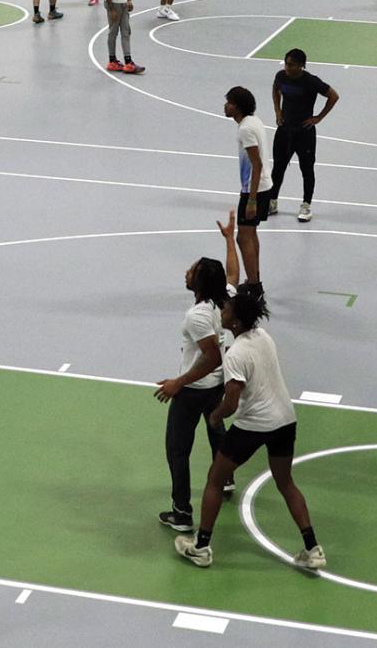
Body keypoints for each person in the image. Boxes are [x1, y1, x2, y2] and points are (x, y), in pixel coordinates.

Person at [174, 293, 327, 570]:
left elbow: (231, 403)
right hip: (285, 420)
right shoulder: (264, 337)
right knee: (286, 483)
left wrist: (214, 416)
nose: (223, 309)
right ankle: (313, 548)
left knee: (215, 479)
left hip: (254, 425)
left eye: (228, 308)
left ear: (236, 320)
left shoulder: (235, 354)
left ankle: (201, 546)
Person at [155, 211, 239, 532]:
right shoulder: (225, 298)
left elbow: (212, 356)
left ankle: (182, 512)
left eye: (192, 270)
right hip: (216, 387)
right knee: (216, 429)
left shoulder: (198, 316)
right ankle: (226, 476)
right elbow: (233, 273)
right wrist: (229, 240)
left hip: (195, 390)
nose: (187, 272)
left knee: (177, 449)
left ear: (199, 282)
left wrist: (179, 382)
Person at [269, 49, 339, 222]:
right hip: (284, 131)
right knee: (278, 168)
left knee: (306, 170)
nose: (287, 67)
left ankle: (306, 205)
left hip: (304, 134)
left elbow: (333, 96)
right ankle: (272, 201)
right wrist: (278, 111)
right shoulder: (281, 76)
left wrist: (318, 118)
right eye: (286, 63)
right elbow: (275, 88)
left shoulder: (311, 81)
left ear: (301, 65)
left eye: (291, 64)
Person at [224, 86, 272, 304]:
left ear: (238, 106)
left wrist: (251, 199)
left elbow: (257, 163)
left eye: (229, 102)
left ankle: (254, 287)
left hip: (255, 190)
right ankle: (255, 282)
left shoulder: (245, 129)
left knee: (243, 237)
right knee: (250, 235)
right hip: (259, 187)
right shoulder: (254, 122)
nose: (226, 106)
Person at [105, 0, 145, 74]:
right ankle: (112, 61)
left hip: (124, 4)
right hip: (114, 4)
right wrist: (111, 9)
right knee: (113, 32)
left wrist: (129, 0)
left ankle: (128, 61)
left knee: (126, 32)